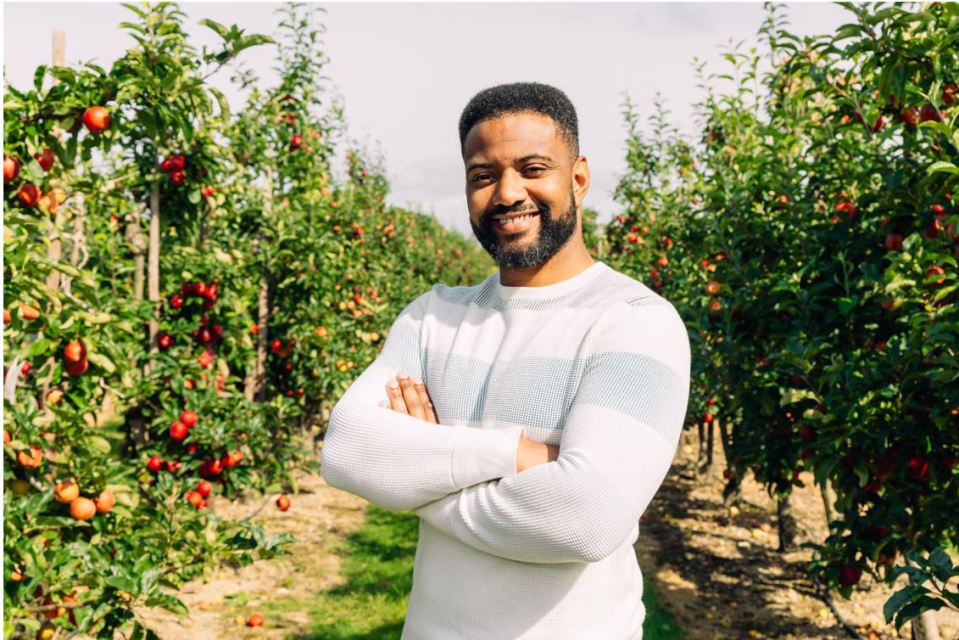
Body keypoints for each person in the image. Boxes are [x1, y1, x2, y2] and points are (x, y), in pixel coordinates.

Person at [320, 81, 690, 639]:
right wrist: (515, 454)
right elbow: (348, 451)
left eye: (533, 168)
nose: (507, 193)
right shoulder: (432, 316)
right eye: (483, 175)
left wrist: (419, 482)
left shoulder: (634, 321)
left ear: (579, 178)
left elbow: (585, 519)